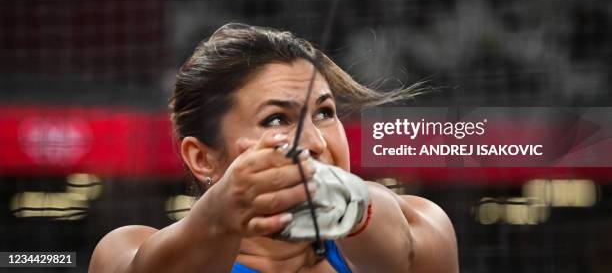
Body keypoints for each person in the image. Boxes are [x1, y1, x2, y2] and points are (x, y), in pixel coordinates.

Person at [90, 23, 458, 273]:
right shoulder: (122, 250)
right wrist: (220, 213)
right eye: (277, 119)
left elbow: (402, 252)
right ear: (202, 158)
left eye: (325, 113)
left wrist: (353, 207)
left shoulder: (422, 224)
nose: (314, 142)